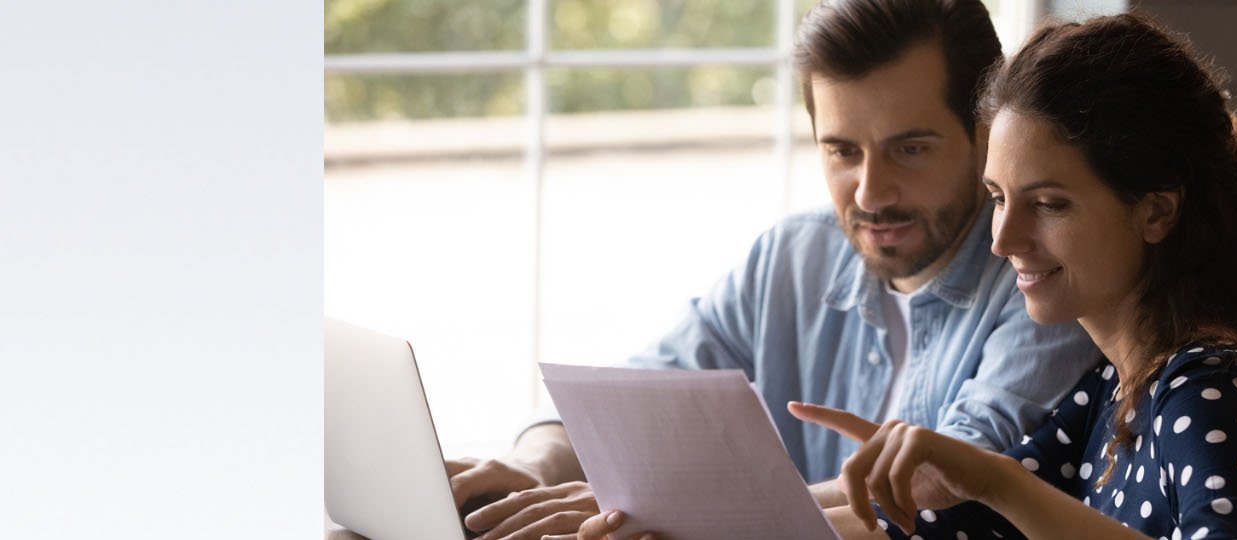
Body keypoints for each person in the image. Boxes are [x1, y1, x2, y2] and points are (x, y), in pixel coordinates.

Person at [573, 12, 1237, 540]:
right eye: (997, 199)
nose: (1004, 240)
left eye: (1050, 204)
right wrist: (656, 514)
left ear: (1156, 211)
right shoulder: (1118, 390)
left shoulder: (1212, 384)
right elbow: (949, 519)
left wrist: (987, 478)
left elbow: (992, 492)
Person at [443, 1, 1100, 539]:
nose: (870, 192)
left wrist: (660, 514)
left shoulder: (1041, 281)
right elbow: (630, 399)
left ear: (985, 134)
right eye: (842, 151)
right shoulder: (792, 257)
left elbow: (937, 482)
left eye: (909, 149)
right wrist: (533, 469)